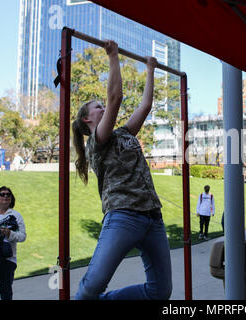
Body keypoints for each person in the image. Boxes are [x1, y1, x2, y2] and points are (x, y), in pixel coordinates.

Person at [71, 40, 172, 300]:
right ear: (87, 119)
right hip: (124, 216)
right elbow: (115, 97)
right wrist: (113, 55)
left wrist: (150, 69)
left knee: (160, 292)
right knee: (92, 286)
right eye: (98, 107)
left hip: (153, 217)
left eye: (101, 106)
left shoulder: (124, 133)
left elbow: (145, 106)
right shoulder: (98, 141)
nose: (103, 108)